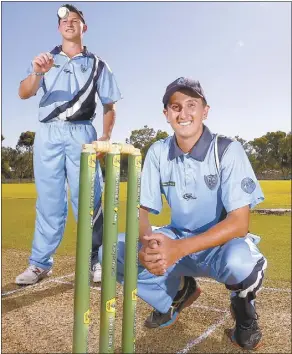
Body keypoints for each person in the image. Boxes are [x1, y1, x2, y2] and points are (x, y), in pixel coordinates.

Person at [99, 77, 267, 350]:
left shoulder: (227, 149)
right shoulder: (158, 151)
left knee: (241, 263)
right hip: (177, 237)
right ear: (166, 114)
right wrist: (146, 243)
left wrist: (179, 249)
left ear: (205, 110)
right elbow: (142, 211)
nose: (184, 113)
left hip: (220, 245)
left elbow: (239, 223)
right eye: (176, 107)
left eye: (192, 104)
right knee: (113, 250)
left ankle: (245, 315)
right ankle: (177, 294)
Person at [16, 4, 122, 285]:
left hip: (81, 133)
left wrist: (105, 138)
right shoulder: (44, 59)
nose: (69, 24)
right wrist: (38, 72)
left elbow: (109, 105)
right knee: (49, 201)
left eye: (75, 20)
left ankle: (95, 260)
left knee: (89, 199)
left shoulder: (98, 64)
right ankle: (40, 264)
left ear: (84, 28)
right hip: (48, 133)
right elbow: (24, 93)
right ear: (59, 28)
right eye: (64, 21)